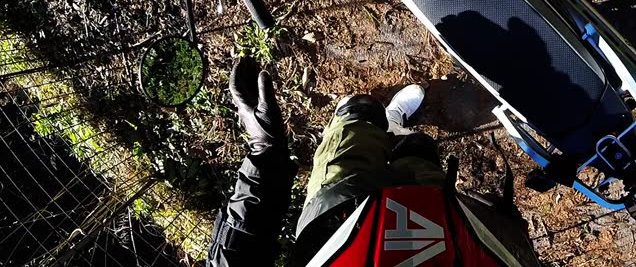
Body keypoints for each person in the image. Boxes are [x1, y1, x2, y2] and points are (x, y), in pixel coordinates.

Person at [207, 57, 540, 266]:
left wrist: (264, 151)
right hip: (442, 231)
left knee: (359, 111)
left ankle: (385, 123)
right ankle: (395, 128)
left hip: (333, 221)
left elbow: (235, 257)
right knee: (419, 150)